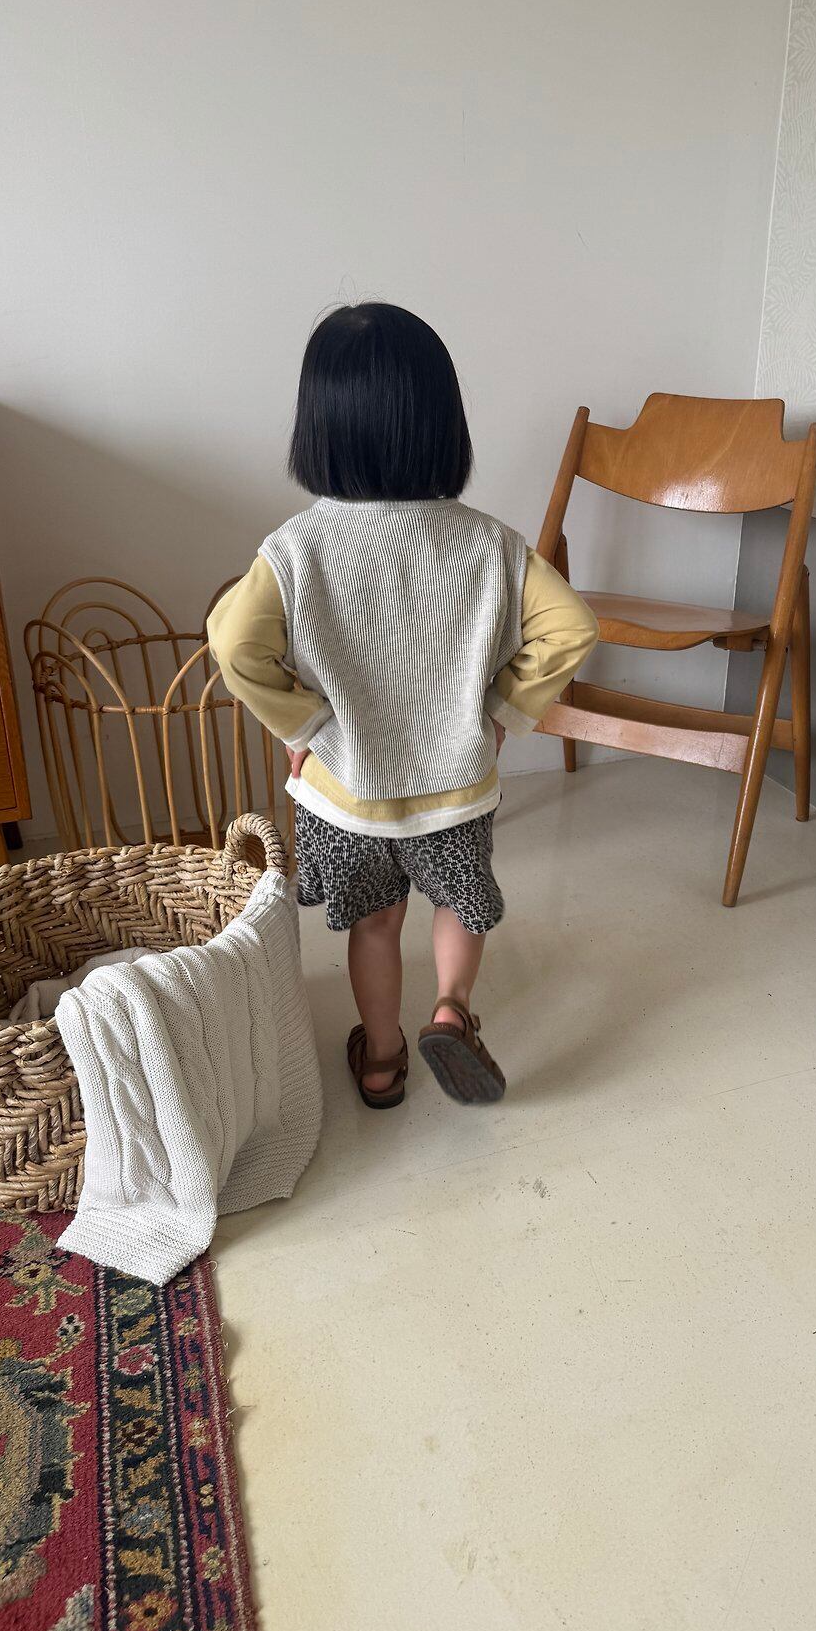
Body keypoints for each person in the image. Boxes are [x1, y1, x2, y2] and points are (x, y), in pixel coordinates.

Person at [208, 302, 598, 1108]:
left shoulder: (297, 548)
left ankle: (382, 1059)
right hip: (455, 787)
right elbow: (572, 627)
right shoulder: (491, 543)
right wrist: (502, 711)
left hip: (347, 794)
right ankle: (451, 1011)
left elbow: (234, 643)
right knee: (458, 903)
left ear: (317, 428)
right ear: (442, 422)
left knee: (376, 922)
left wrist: (305, 724)